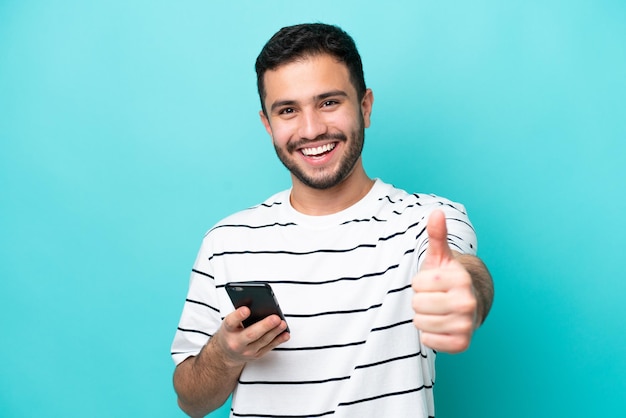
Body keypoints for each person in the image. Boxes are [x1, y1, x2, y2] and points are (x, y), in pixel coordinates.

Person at [171, 23, 494, 418]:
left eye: (328, 103)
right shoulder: (226, 242)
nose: (311, 130)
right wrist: (225, 352)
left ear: (365, 106)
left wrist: (461, 294)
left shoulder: (428, 222)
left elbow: (465, 274)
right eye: (288, 110)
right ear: (267, 125)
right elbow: (191, 401)